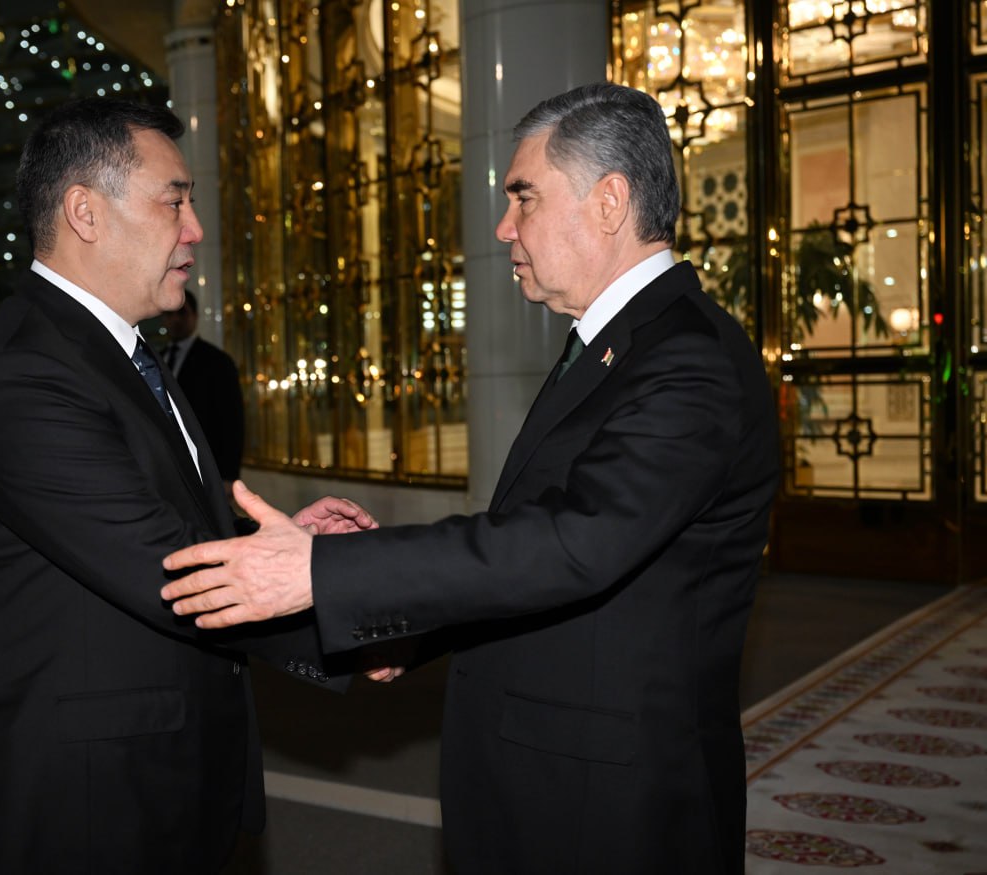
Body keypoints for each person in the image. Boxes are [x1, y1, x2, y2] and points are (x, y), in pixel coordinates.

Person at [160, 82, 780, 875]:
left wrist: (324, 571)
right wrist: (408, 626)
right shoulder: (617, 344)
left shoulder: (687, 359)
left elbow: (576, 543)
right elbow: (535, 547)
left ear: (609, 201)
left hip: (613, 804)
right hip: (556, 782)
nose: (503, 226)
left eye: (524, 197)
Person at [0, 97, 374, 874]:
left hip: (156, 786)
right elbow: (169, 570)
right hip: (81, 809)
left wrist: (277, 546)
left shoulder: (119, 354)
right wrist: (360, 606)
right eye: (174, 201)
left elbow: (155, 528)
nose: (194, 229)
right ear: (85, 212)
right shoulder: (23, 375)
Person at [160, 290, 245, 485]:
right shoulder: (157, 358)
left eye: (182, 313)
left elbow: (232, 421)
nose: (175, 320)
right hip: (167, 467)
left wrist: (228, 475)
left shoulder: (217, 361)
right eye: (169, 314)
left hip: (206, 467)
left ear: (195, 316)